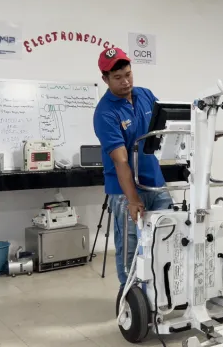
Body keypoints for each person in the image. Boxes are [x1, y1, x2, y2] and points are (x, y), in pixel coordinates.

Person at [93, 47, 173, 287]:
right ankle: (130, 300)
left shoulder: (145, 95)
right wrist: (133, 199)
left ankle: (160, 294)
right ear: (105, 79)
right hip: (124, 191)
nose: (125, 81)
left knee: (167, 239)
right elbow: (121, 160)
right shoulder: (105, 113)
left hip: (156, 184)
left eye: (128, 74)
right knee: (130, 249)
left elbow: (168, 124)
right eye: (117, 78)